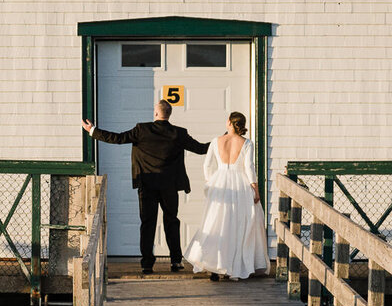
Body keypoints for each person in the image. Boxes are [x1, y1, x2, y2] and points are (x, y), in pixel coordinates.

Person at [82, 101, 210, 274]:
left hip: (147, 185)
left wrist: (93, 131)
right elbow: (201, 148)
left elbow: (118, 138)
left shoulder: (142, 130)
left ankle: (147, 264)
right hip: (169, 187)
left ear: (156, 113)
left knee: (148, 224)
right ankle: (176, 261)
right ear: (169, 114)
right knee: (171, 221)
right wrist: (224, 140)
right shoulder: (179, 133)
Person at [184, 112, 269, 282]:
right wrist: (256, 189)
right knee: (238, 224)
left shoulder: (216, 141)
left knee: (217, 223)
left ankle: (215, 265)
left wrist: (211, 182)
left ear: (229, 123)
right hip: (240, 184)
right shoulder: (247, 143)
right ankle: (234, 266)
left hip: (220, 182)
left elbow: (207, 165)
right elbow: (249, 168)